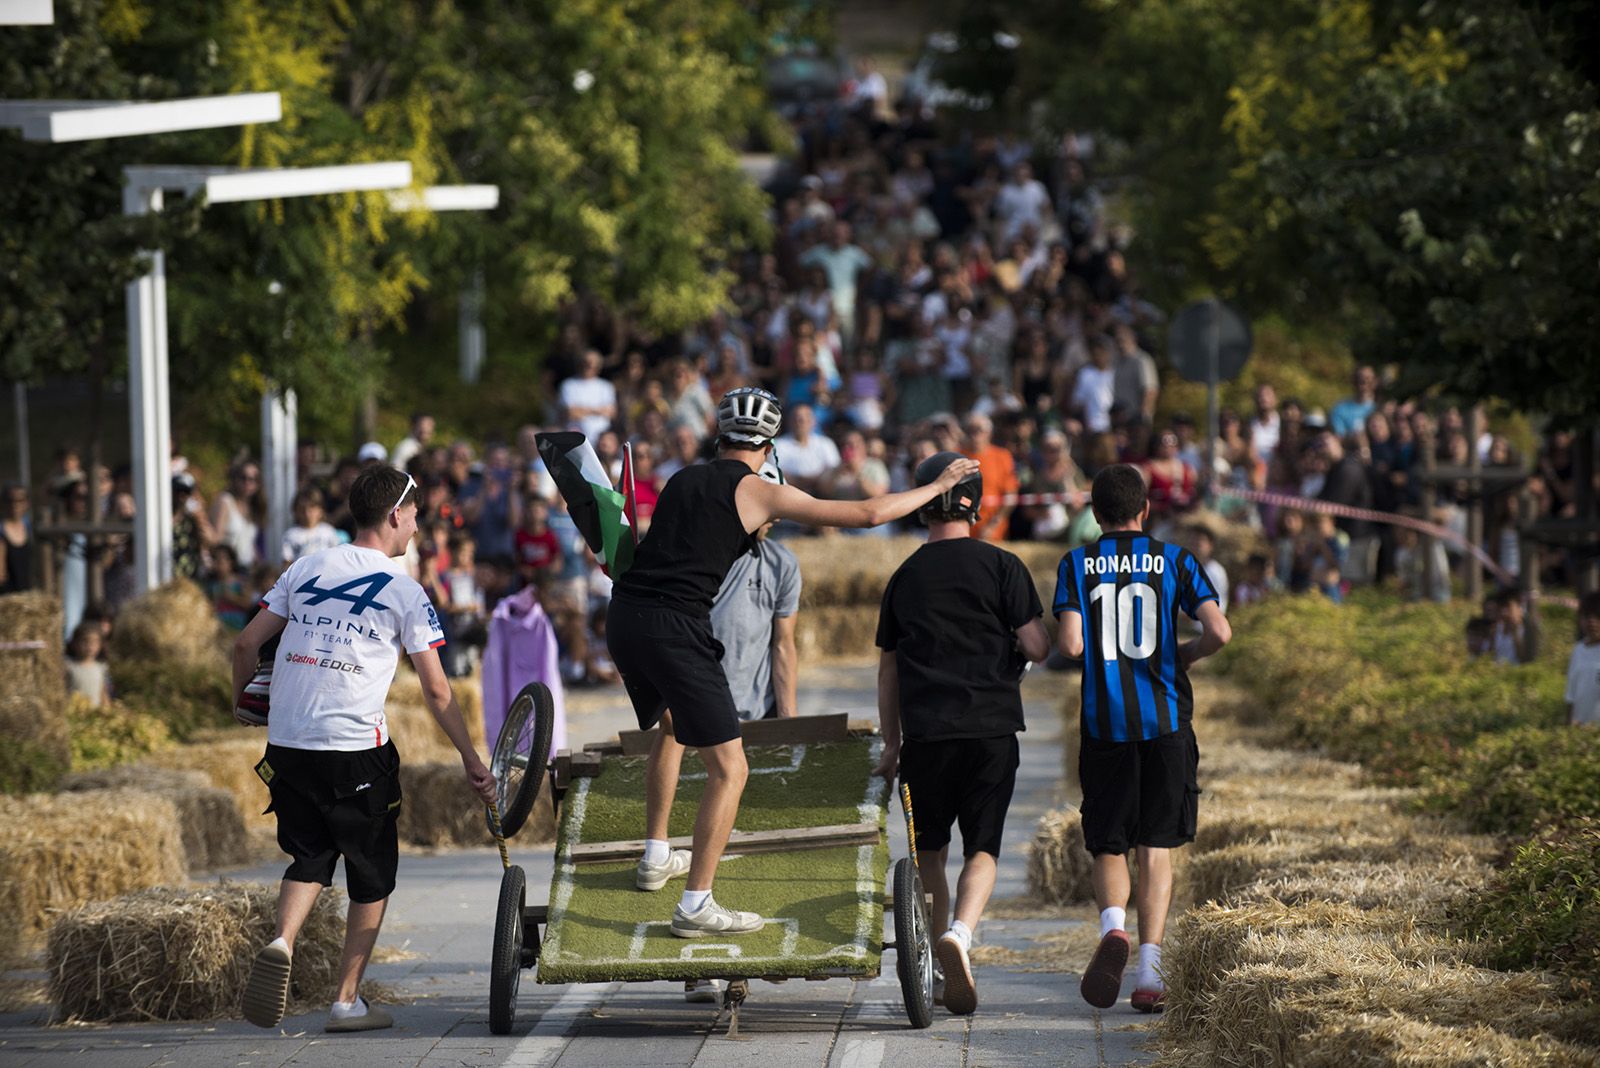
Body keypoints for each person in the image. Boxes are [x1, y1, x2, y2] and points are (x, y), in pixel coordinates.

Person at [609, 387, 980, 939]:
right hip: (675, 626)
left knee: (672, 726)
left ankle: (657, 853)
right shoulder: (757, 490)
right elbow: (868, 512)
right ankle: (696, 904)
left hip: (625, 618)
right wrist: (937, 485)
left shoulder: (681, 480)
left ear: (720, 435)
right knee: (731, 769)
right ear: (768, 445)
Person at [231, 465, 496, 1033]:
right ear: (397, 514)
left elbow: (247, 642)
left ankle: (282, 940)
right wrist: (472, 759)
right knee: (371, 873)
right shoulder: (405, 590)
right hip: (354, 746)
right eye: (417, 516)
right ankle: (346, 1001)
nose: (418, 528)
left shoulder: (305, 567)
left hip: (288, 742)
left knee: (310, 857)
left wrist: (244, 705)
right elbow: (436, 688)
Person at [872, 452, 1050, 1016]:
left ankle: (931, 953)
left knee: (929, 853)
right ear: (976, 503)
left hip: (926, 735)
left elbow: (889, 668)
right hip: (992, 729)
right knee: (984, 847)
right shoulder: (1003, 566)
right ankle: (961, 936)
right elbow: (1041, 647)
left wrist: (892, 742)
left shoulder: (904, 577)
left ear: (925, 502)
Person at [1054, 463, 1231, 1014]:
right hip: (1167, 721)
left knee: (1108, 841)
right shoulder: (1177, 559)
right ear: (1145, 509)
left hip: (1105, 721)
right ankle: (1151, 972)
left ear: (1094, 512)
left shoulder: (1077, 563)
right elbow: (1220, 631)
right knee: (1157, 846)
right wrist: (1183, 655)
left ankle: (1114, 929)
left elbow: (1073, 646)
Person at [1566, 593, 1600, 727]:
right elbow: (1571, 693)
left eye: (1598, 616)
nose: (1592, 621)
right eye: (1587, 616)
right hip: (1580, 729)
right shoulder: (1578, 650)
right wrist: (1569, 725)